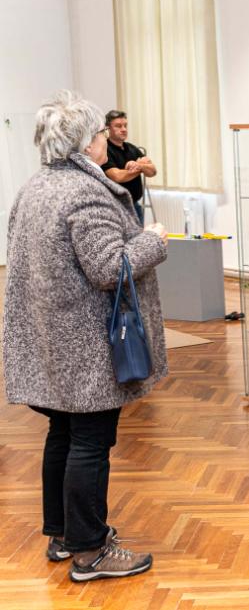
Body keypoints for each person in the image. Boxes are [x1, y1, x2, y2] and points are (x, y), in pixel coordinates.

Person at [3, 91, 169, 581]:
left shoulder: (35, 187)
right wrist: (152, 241)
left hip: (51, 338)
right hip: (86, 344)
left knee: (63, 434)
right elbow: (109, 268)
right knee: (91, 442)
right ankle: (90, 552)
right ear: (84, 143)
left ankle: (64, 535)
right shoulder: (84, 192)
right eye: (99, 133)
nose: (104, 140)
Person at [101, 109, 156, 223]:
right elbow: (117, 176)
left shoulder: (131, 148)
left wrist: (138, 165)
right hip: (115, 208)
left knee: (139, 235)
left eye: (125, 125)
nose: (124, 129)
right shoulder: (104, 149)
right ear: (107, 128)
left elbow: (152, 171)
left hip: (135, 205)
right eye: (118, 126)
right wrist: (141, 167)